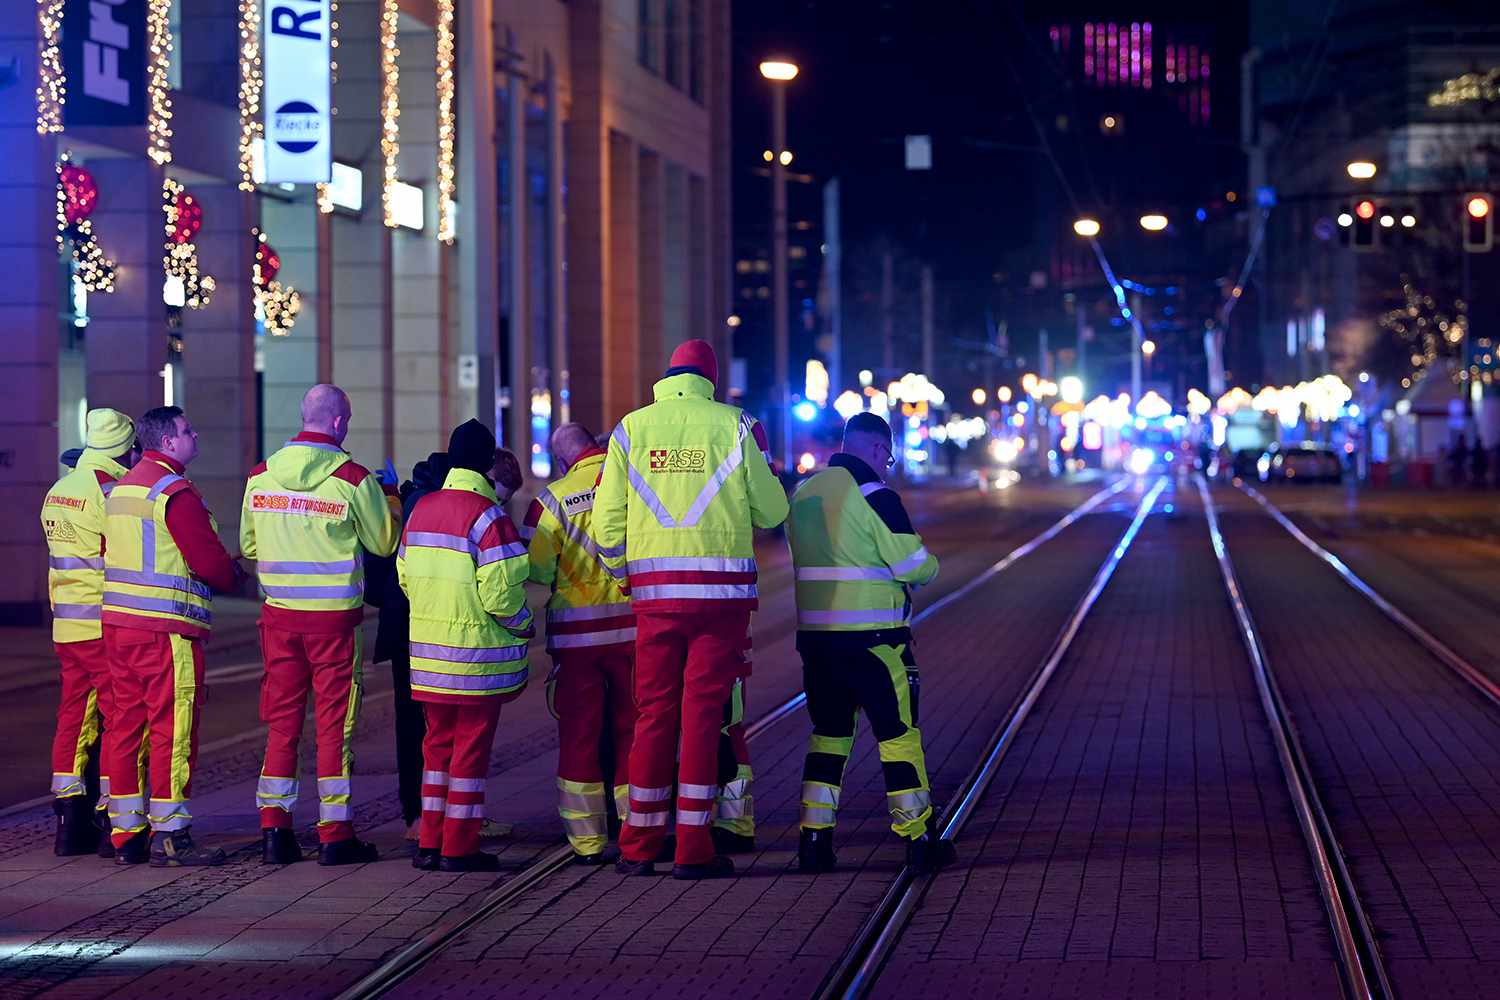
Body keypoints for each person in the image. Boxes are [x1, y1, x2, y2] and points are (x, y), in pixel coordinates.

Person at [594, 339, 788, 879]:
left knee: (653, 714)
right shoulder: (737, 426)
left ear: (667, 375)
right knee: (704, 717)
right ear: (711, 379)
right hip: (720, 600)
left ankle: (638, 844)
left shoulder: (631, 430)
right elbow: (773, 510)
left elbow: (607, 521)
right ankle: (693, 847)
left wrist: (622, 572)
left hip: (655, 598)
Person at [785, 412, 952, 874]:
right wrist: (931, 566)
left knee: (828, 739)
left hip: (817, 643)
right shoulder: (875, 494)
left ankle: (813, 842)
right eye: (888, 456)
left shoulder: (804, 493)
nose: (887, 464)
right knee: (898, 739)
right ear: (878, 449)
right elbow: (915, 564)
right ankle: (918, 839)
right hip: (876, 643)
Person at [240, 385, 400, 866]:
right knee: (334, 726)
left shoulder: (261, 476)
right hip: (334, 623)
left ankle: (274, 829)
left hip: (280, 619)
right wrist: (390, 496)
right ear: (337, 423)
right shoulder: (353, 479)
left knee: (282, 723)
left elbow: (249, 548)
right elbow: (384, 543)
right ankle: (334, 833)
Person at [101, 406, 244, 866]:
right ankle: (172, 835)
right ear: (166, 443)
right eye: (187, 430)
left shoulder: (121, 490)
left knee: (125, 726)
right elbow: (209, 562)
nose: (194, 434)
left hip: (120, 627)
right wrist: (235, 575)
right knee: (172, 729)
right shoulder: (173, 492)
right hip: (166, 631)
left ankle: (125, 834)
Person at [399, 419, 533, 872]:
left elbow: (404, 576)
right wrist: (524, 624)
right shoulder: (489, 516)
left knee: (436, 750)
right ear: (485, 462)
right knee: (469, 754)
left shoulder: (421, 509)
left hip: (429, 659)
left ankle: (429, 842)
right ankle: (459, 846)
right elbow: (502, 596)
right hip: (475, 661)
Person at [524, 422, 637, 864]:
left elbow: (535, 571)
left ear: (561, 460)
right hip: (630, 629)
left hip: (576, 639)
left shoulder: (550, 501)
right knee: (634, 731)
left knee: (579, 736)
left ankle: (587, 841)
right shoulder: (629, 485)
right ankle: (636, 827)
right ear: (595, 445)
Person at [40, 408, 141, 857]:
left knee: (73, 716)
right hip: (102, 622)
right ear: (124, 447)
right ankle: (110, 814)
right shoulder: (110, 492)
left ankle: (67, 817)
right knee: (120, 718)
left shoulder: (59, 490)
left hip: (66, 622)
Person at [366, 451, 450, 844]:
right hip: (438, 631)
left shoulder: (406, 501)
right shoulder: (449, 508)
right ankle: (438, 814)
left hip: (402, 631)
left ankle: (415, 814)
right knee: (443, 725)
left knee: (409, 721)